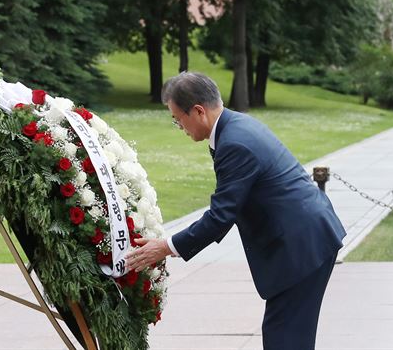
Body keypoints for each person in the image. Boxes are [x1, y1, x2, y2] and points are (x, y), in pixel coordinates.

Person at [126, 72, 346, 350]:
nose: (178, 126)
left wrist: (166, 246)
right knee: (289, 335)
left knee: (285, 338)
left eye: (177, 118)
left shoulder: (234, 143)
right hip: (306, 238)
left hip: (301, 245)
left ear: (198, 111)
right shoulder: (236, 127)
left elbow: (220, 216)